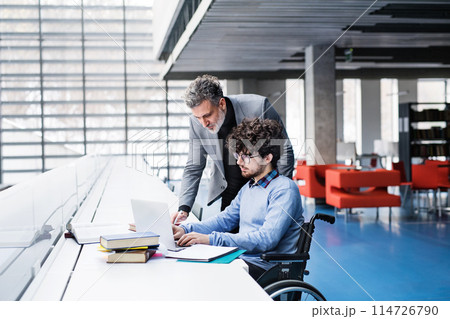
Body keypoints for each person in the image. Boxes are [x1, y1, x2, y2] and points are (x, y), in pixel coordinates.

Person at [172, 118, 303, 279]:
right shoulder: (249, 187)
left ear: (267, 158)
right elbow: (224, 220)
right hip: (244, 260)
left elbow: (267, 239)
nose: (239, 162)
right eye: (237, 155)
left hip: (267, 268)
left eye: (246, 156)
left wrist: (212, 239)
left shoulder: (284, 190)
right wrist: (186, 230)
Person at [171, 74, 294, 225]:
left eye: (207, 115)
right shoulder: (196, 123)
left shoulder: (259, 106)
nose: (203, 123)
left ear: (221, 103)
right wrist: (184, 208)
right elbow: (193, 166)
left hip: (264, 191)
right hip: (231, 195)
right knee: (229, 242)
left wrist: (280, 192)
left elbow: (285, 149)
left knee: (258, 241)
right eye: (198, 118)